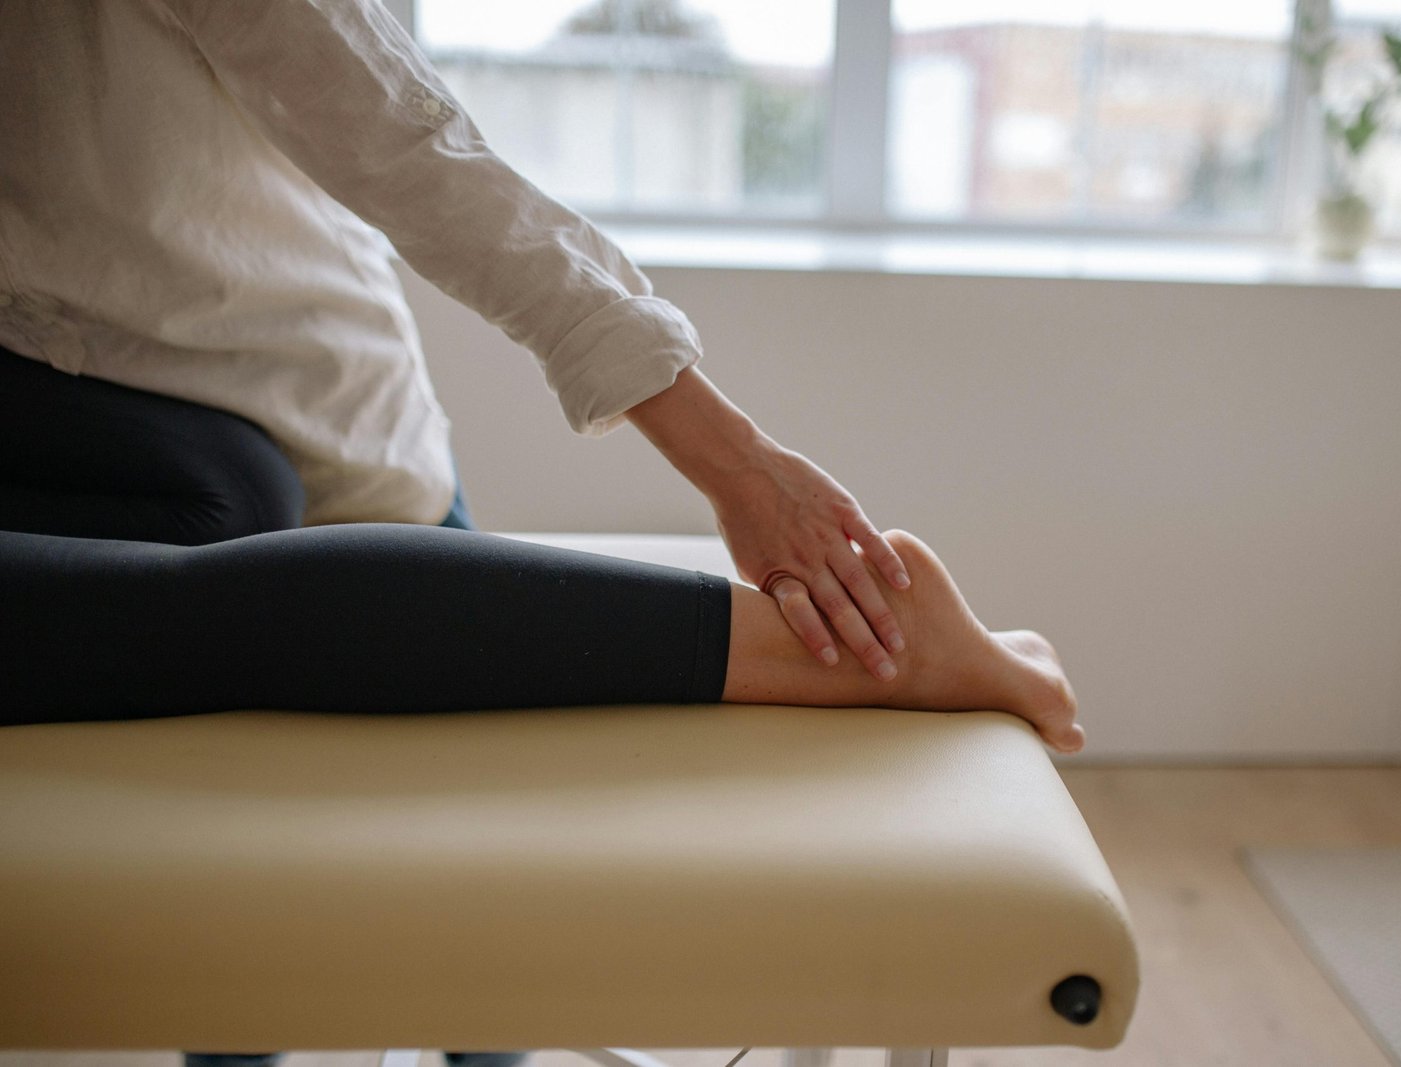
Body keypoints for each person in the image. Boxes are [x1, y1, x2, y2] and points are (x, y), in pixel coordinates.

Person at [0, 2, 1083, 1065]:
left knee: (468, 898)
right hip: (85, 417)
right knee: (244, 922)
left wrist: (733, 460)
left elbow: (413, 147)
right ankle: (869, 665)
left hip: (294, 390)